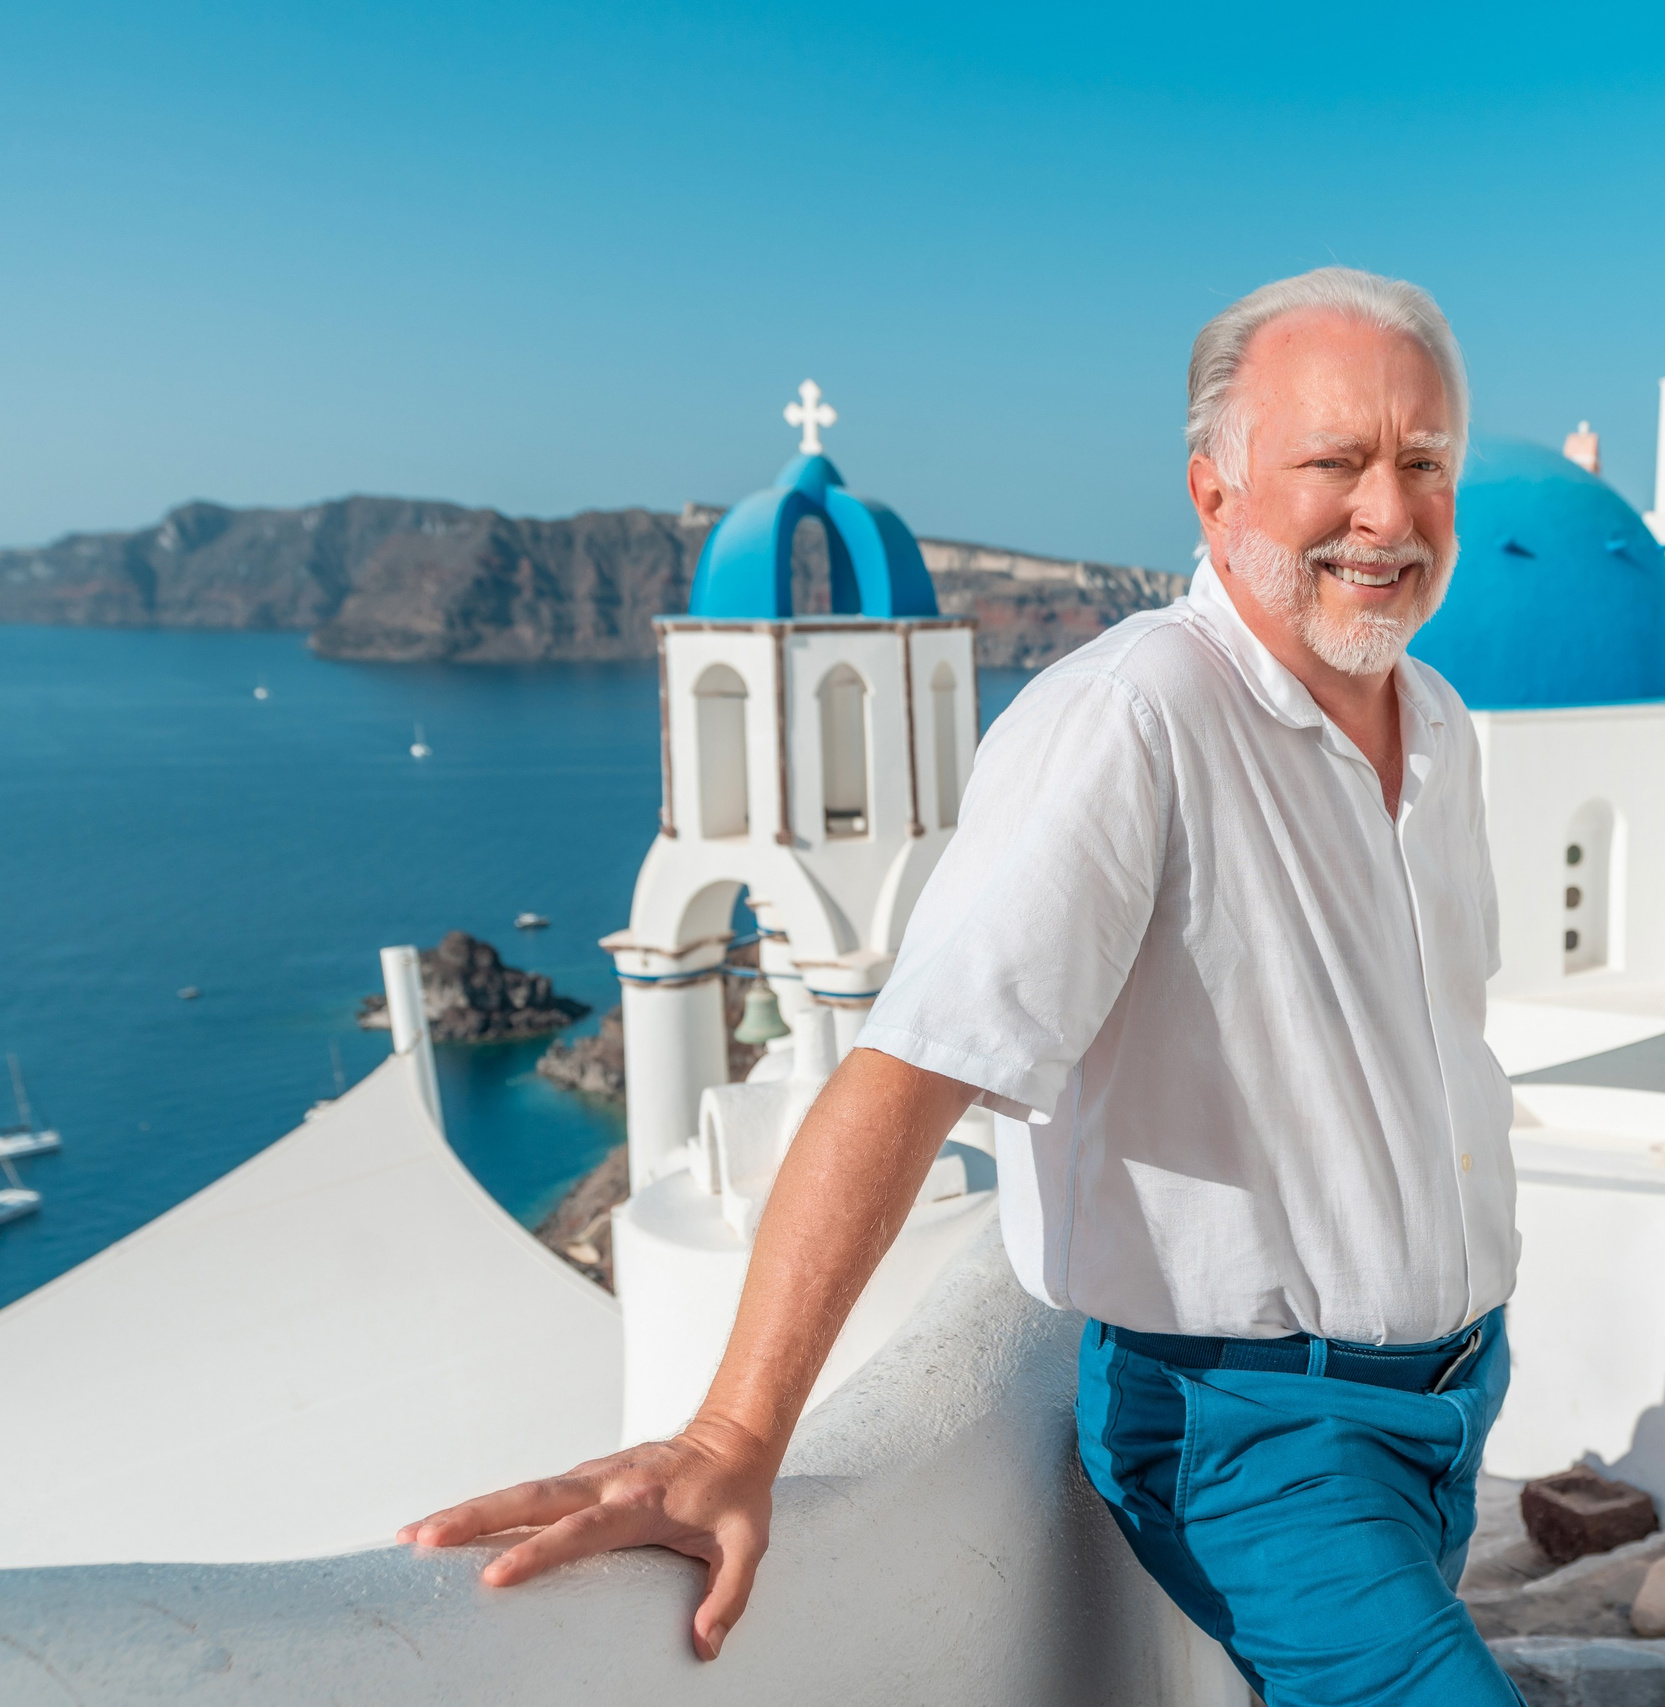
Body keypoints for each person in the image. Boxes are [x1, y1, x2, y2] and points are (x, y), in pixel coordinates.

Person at [401, 266, 1521, 1705]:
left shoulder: (1433, 725)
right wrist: (732, 1436)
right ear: (1214, 494)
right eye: (1336, 464)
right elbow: (909, 1068)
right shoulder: (1127, 726)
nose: (1388, 513)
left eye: (1424, 464)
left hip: (1450, 1394)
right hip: (1258, 1437)